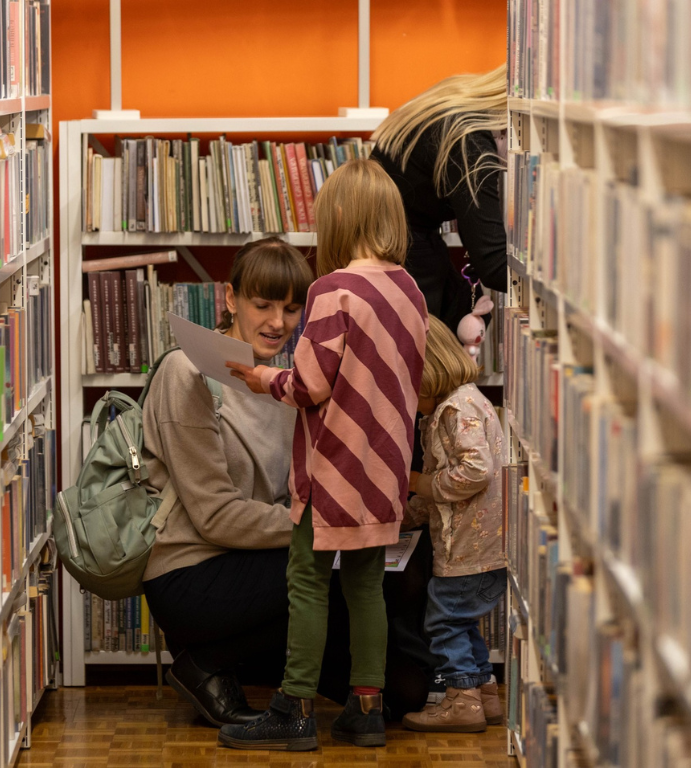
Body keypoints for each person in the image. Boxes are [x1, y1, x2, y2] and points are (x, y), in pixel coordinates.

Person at [141, 237, 437, 731]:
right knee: (337, 576)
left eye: (292, 308)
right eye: (262, 305)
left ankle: (241, 663)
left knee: (407, 689)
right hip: (194, 572)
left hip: (271, 563)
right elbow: (215, 517)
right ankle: (206, 659)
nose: (278, 322)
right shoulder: (186, 372)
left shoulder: (288, 384)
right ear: (231, 298)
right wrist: (325, 525)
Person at [221, 159, 428, 751]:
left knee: (307, 581)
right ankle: (367, 708)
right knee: (366, 587)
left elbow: (308, 386)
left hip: (332, 469)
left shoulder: (333, 291)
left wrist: (264, 378)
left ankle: (295, 707)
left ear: (338, 213)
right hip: (384, 471)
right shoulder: (410, 291)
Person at [400, 317, 507, 734]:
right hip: (483, 549)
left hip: (468, 549)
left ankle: (461, 701)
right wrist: (407, 515)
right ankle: (484, 694)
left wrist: (419, 483)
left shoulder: (455, 409)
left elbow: (476, 471)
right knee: (462, 623)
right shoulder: (462, 403)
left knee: (443, 623)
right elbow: (440, 490)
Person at [371, 65, 508, 334]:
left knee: (468, 311)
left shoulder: (463, 96)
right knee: (444, 338)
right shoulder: (469, 138)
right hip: (397, 248)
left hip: (386, 236)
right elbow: (493, 265)